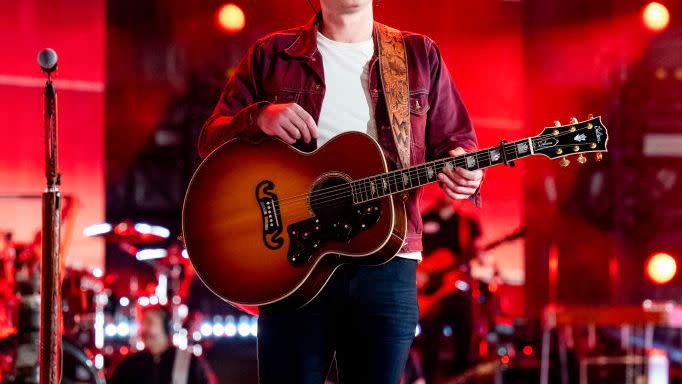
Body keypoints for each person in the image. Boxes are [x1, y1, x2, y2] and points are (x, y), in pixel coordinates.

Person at [199, 1, 482, 382]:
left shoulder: (418, 54)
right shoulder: (272, 53)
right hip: (292, 264)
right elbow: (210, 139)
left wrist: (468, 171)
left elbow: (458, 144)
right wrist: (261, 117)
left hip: (388, 262)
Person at [416, 187, 482, 383]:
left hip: (455, 288)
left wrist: (480, 255)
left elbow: (476, 250)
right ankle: (427, 377)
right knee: (429, 336)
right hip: (428, 291)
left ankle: (461, 375)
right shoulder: (423, 218)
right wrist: (418, 274)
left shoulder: (467, 223)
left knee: (464, 320)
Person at [109, 306, 214, 384]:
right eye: (142, 323)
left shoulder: (189, 362)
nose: (143, 329)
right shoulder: (129, 365)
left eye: (149, 322)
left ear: (166, 327)